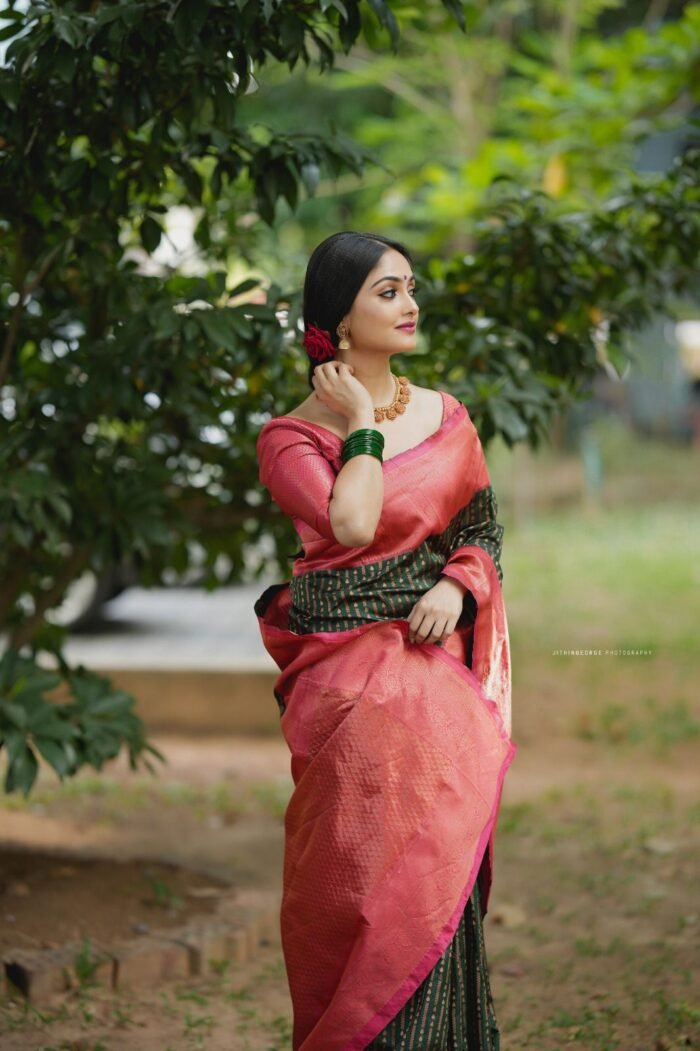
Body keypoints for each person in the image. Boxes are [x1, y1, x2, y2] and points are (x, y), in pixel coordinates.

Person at [253, 231, 516, 1051]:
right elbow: (352, 523)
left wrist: (457, 581)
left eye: (409, 288)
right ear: (338, 316)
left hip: (436, 676)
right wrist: (362, 418)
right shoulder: (291, 438)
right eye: (388, 292)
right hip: (344, 683)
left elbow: (481, 528)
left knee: (437, 878)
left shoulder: (448, 416)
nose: (409, 305)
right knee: (360, 886)